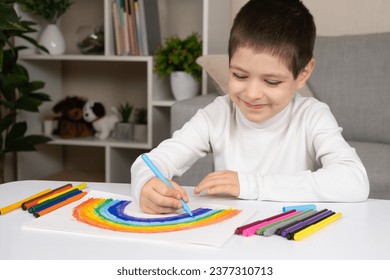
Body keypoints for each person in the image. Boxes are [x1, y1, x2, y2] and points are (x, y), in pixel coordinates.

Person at [131, 0, 369, 214]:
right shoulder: (219, 113)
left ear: (303, 73)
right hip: (231, 237)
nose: (252, 94)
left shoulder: (312, 116)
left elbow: (354, 180)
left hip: (291, 237)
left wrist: (250, 184)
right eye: (239, 75)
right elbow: (150, 162)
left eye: (272, 81)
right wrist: (146, 183)